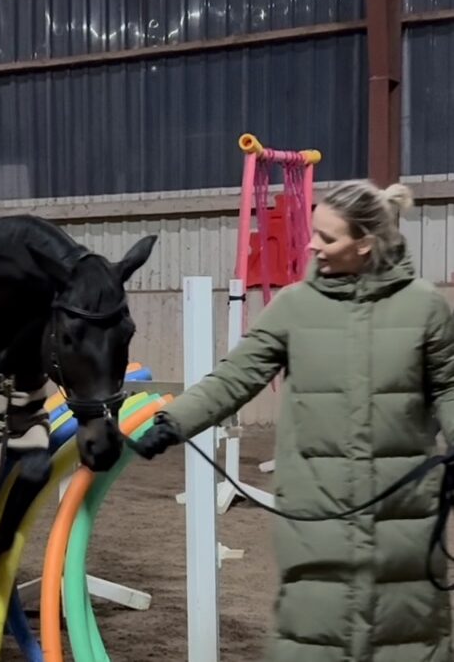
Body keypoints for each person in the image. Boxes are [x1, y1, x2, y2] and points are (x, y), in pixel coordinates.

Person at [133, 179, 454, 661]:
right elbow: (235, 377)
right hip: (315, 509)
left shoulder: (425, 307)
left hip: (404, 512)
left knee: (408, 637)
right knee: (312, 635)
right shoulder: (293, 307)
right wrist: (172, 421)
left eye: (327, 237)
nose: (312, 245)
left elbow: (450, 386)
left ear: (364, 243)